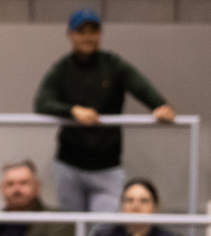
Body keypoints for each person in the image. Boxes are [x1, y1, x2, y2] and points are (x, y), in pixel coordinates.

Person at [35, 8, 175, 213]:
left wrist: (160, 106)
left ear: (100, 34)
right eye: (81, 32)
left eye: (93, 31)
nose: (88, 37)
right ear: (70, 35)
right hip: (69, 165)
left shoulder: (113, 65)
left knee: (104, 228)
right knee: (71, 227)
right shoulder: (62, 69)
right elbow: (42, 103)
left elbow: (140, 86)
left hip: (107, 167)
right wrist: (73, 111)